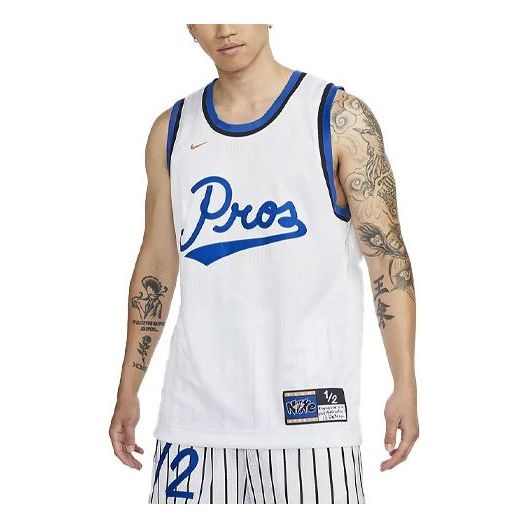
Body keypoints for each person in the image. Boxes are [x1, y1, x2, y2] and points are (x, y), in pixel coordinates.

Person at [108, 23, 419, 505]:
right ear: (188, 26)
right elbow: (156, 266)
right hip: (195, 418)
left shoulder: (337, 116)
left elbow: (387, 260)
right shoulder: (172, 130)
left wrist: (404, 381)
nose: (225, 28)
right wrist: (129, 387)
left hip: (313, 417)